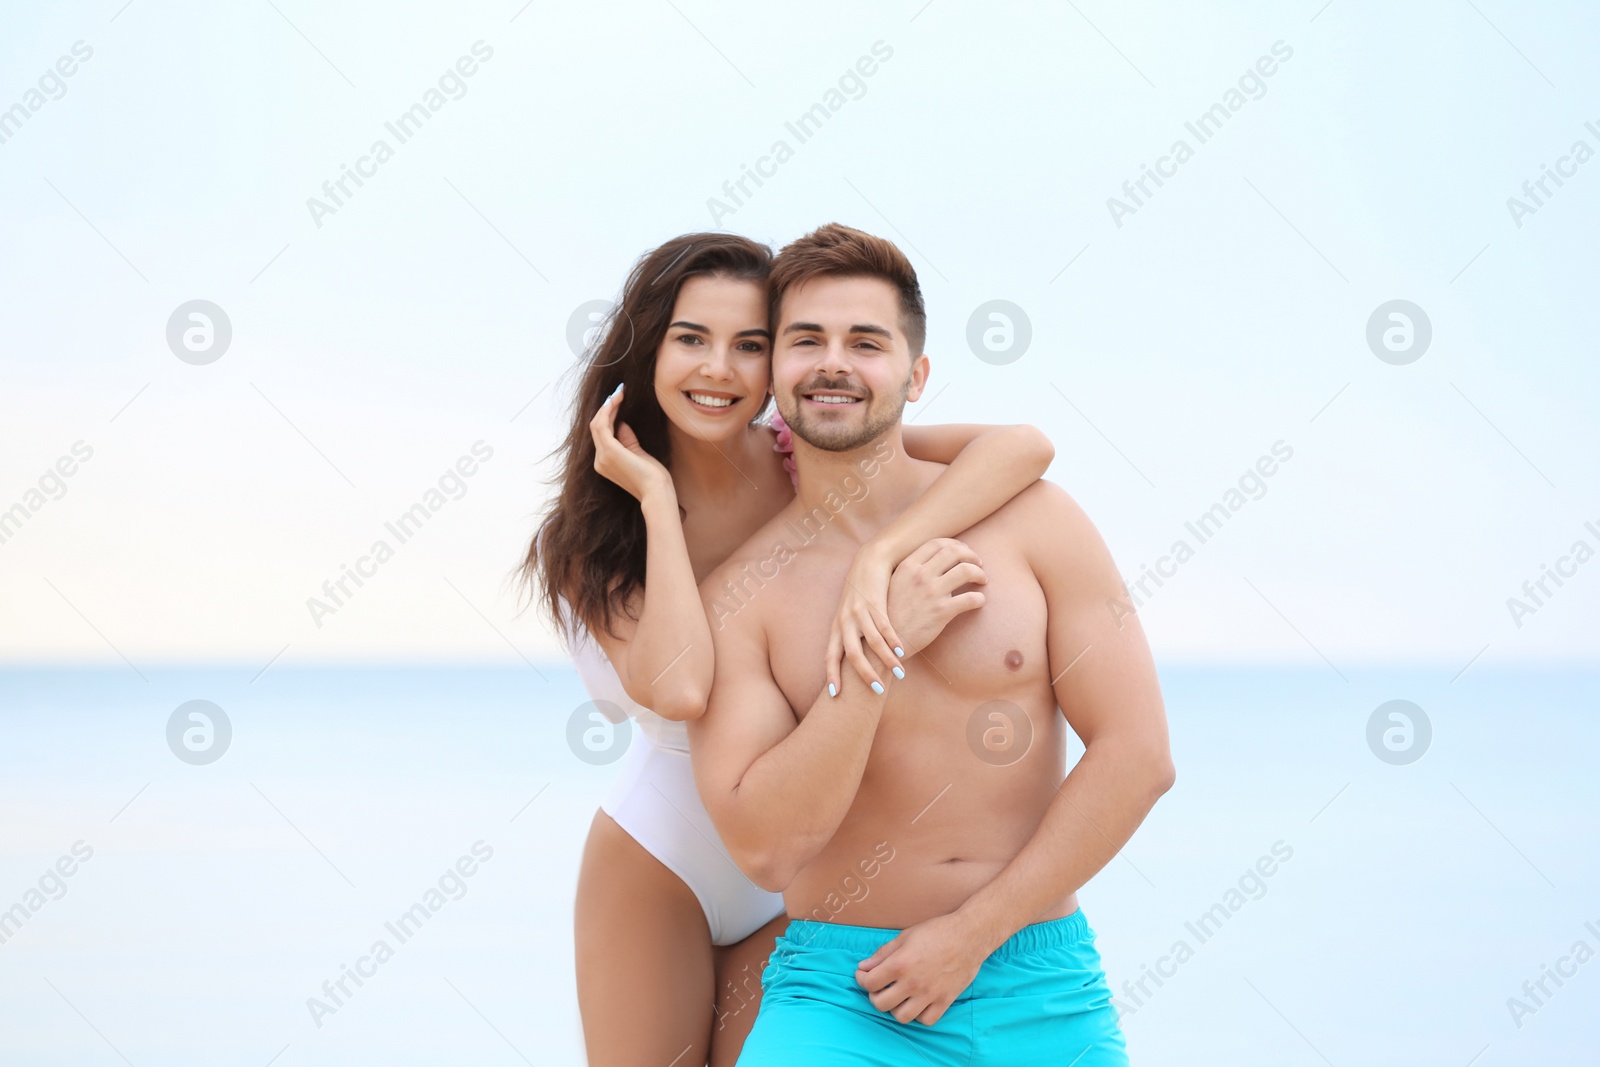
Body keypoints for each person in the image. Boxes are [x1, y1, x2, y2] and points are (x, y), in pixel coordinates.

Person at [518, 231, 1057, 1066]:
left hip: (805, 856)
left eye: (751, 346)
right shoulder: (598, 533)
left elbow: (1021, 447)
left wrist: (883, 553)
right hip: (670, 858)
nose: (719, 369)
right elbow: (682, 686)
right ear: (646, 347)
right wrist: (657, 501)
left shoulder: (805, 456)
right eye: (690, 338)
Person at [689, 223, 1175, 1066]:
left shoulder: (1035, 520)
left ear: (915, 375)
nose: (834, 362)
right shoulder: (742, 596)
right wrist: (878, 652)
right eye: (807, 340)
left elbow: (1138, 756)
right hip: (843, 994)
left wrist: (973, 934)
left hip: (1037, 977)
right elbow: (767, 848)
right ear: (775, 374)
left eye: (865, 342)